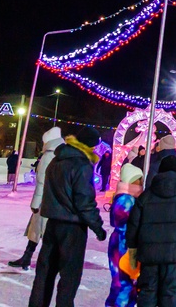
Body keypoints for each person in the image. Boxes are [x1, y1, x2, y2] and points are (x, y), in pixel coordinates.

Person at [28, 126, 107, 307]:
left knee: (45, 272)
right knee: (69, 276)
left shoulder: (56, 160)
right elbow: (84, 202)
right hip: (72, 228)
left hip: (52, 223)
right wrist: (97, 226)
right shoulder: (81, 164)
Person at [127, 155, 176, 306]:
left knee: (147, 294)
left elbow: (133, 225)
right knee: (171, 296)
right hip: (175, 257)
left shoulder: (145, 197)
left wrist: (133, 248)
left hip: (149, 257)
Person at [9, 126, 64, 270]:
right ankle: (28, 258)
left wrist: (35, 203)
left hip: (45, 201)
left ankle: (41, 261)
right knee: (40, 231)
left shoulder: (48, 156)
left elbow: (41, 181)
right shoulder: (61, 154)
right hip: (55, 200)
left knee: (40, 231)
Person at [106, 163, 143, 307]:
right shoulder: (127, 200)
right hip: (124, 245)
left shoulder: (125, 198)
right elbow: (128, 223)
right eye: (139, 179)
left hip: (120, 243)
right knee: (124, 283)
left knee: (121, 283)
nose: (141, 182)